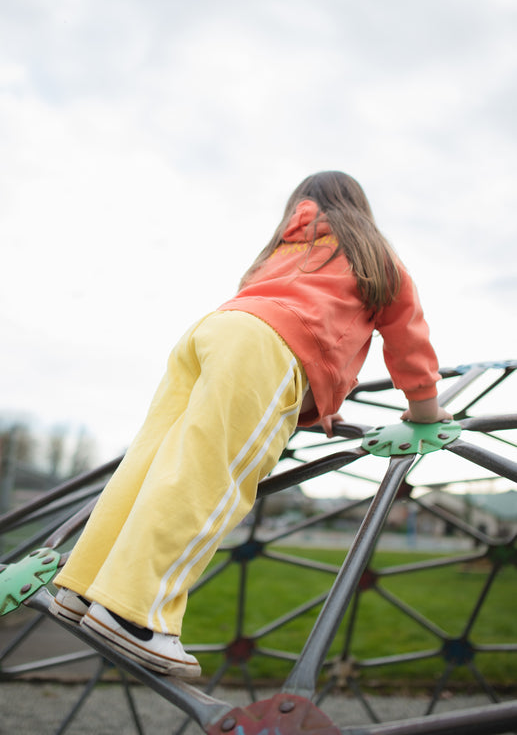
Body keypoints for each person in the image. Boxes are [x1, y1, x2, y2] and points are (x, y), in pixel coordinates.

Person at [50, 171, 451, 678]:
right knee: (211, 476)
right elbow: (407, 343)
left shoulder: (283, 253)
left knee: (148, 465)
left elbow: (278, 322)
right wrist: (424, 411)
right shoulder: (376, 257)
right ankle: (133, 615)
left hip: (209, 332)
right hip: (263, 348)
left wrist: (316, 405)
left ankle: (81, 585)